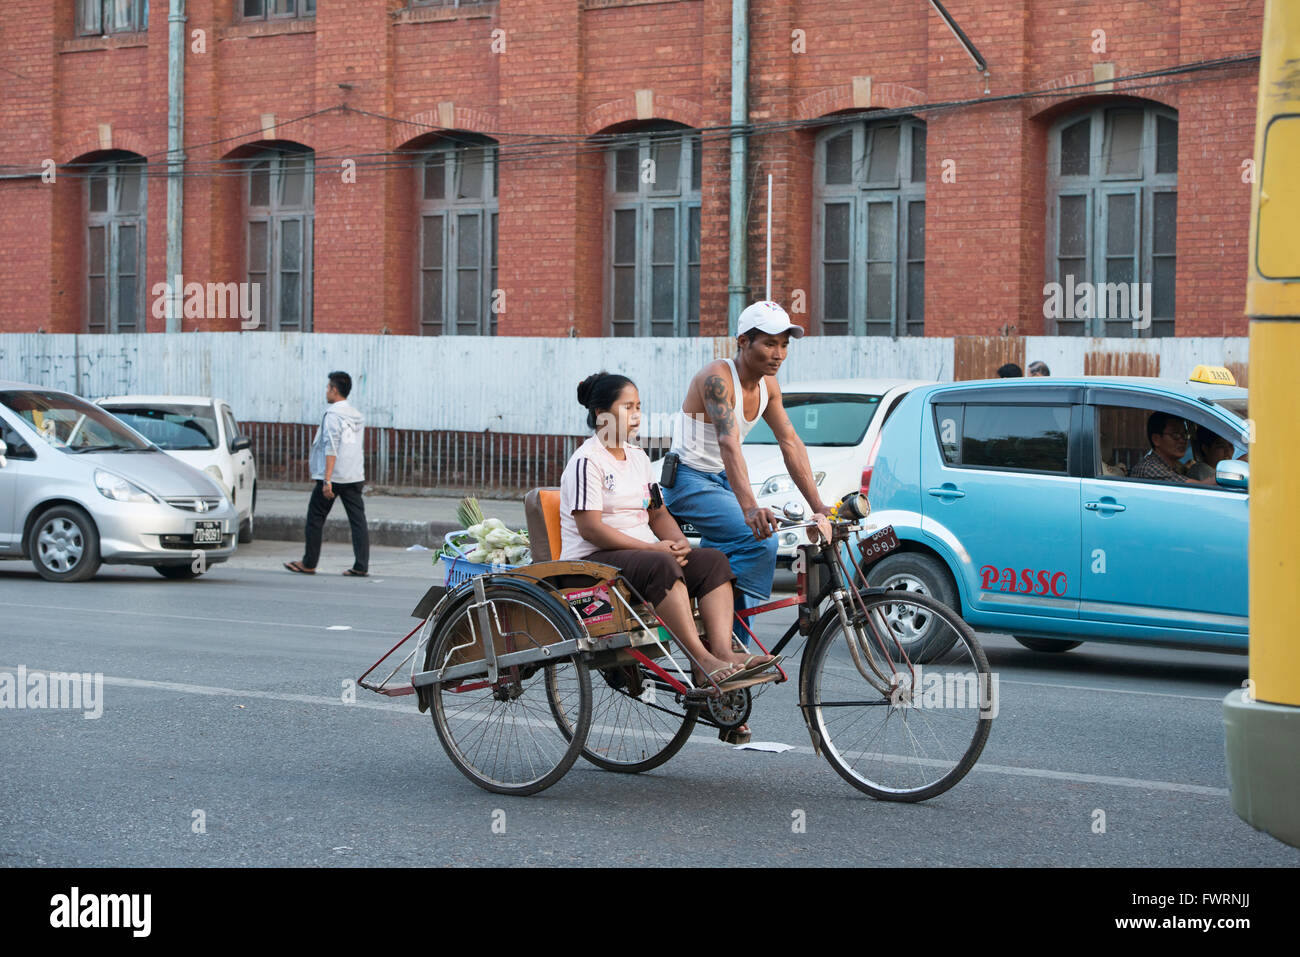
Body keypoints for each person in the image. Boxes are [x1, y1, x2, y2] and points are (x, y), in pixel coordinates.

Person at [559, 372, 777, 691]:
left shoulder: (638, 458)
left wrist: (678, 543)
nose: (636, 416)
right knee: (663, 564)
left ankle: (722, 652)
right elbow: (591, 529)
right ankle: (700, 659)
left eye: (639, 407)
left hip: (640, 558)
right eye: (627, 407)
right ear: (600, 415)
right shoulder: (587, 461)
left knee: (713, 561)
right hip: (592, 563)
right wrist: (654, 550)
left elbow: (657, 512)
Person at [661, 301, 832, 633]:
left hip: (722, 481)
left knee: (734, 554)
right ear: (742, 342)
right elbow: (728, 441)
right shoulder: (717, 379)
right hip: (688, 480)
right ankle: (730, 643)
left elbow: (790, 441)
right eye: (769, 343)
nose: (778, 353)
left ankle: (713, 615)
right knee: (759, 539)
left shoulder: (769, 386)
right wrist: (751, 508)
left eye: (784, 344)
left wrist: (819, 506)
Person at [284, 371, 370, 575]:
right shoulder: (357, 415)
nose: (326, 391)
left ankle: (309, 562)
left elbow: (332, 446)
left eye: (328, 387)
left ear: (334, 390)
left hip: (334, 476)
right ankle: (361, 565)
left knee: (315, 517)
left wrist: (327, 480)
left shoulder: (333, 414)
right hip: (354, 475)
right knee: (358, 521)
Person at [1130, 411, 1216, 486]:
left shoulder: (1172, 467)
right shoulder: (1150, 468)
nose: (1182, 440)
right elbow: (1199, 488)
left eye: (1185, 435)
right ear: (1156, 439)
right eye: (1175, 435)